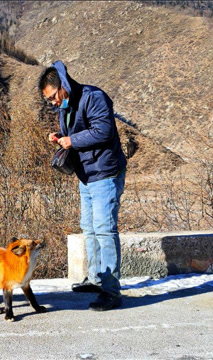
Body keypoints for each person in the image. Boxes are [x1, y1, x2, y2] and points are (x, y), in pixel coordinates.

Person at [38, 60, 127, 311]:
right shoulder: (67, 106)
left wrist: (71, 140)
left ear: (63, 86)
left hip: (105, 172)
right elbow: (78, 134)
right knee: (89, 227)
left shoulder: (94, 97)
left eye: (53, 97)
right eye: (49, 100)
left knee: (104, 229)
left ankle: (111, 291)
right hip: (86, 173)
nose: (53, 103)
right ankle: (97, 278)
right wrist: (60, 137)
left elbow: (103, 131)